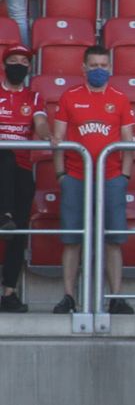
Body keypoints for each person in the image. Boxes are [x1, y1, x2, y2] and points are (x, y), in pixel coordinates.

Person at [51, 45, 135, 315]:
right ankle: (69, 297)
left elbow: (128, 141)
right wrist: (61, 175)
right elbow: (58, 139)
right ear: (84, 68)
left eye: (103, 65)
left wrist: (125, 175)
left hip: (111, 177)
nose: (99, 70)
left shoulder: (120, 98)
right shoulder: (70, 96)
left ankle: (116, 298)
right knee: (72, 239)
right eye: (94, 65)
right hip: (76, 177)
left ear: (110, 68)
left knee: (113, 239)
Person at [0, 43, 47, 313]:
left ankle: (9, 292)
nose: (18, 65)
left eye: (24, 62)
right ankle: (4, 214)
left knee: (18, 231)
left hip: (21, 168)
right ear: (4, 65)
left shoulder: (34, 97)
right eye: (14, 60)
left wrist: (48, 135)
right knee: (5, 157)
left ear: (29, 68)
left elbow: (40, 122)